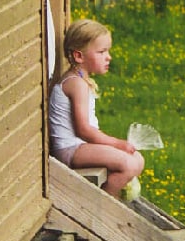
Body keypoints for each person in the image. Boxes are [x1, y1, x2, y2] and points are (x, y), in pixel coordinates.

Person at [49, 19, 145, 199]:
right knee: (128, 164)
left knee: (137, 159)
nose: (108, 57)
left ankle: (109, 197)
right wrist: (117, 143)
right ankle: (104, 209)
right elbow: (84, 130)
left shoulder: (80, 80)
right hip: (70, 149)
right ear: (79, 56)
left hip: (81, 146)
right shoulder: (76, 84)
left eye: (107, 51)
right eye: (101, 52)